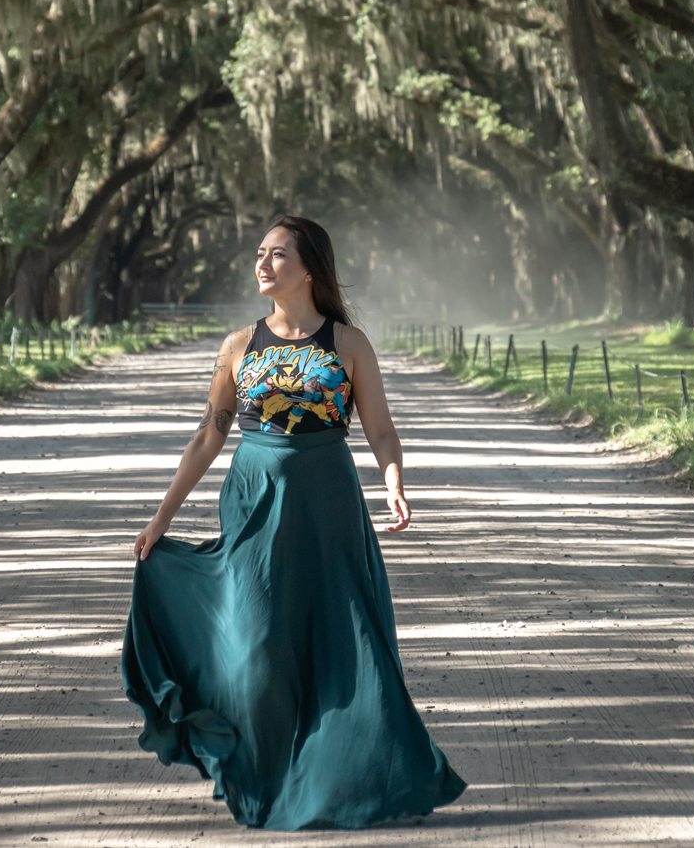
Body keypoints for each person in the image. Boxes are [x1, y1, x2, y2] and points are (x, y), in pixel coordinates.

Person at [121, 215, 467, 831]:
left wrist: (394, 485)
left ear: (309, 268)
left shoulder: (347, 343)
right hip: (254, 505)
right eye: (259, 253)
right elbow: (209, 436)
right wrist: (159, 519)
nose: (262, 263)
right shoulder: (237, 346)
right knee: (258, 650)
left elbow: (381, 430)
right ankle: (266, 776)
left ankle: (349, 778)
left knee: (342, 645)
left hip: (327, 506)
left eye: (277, 255)